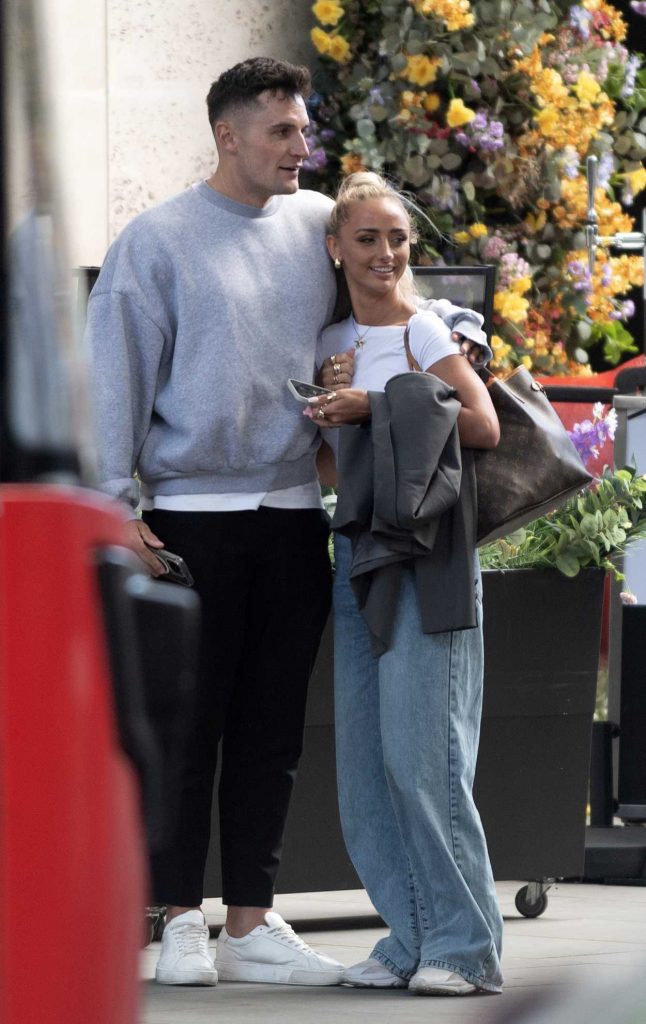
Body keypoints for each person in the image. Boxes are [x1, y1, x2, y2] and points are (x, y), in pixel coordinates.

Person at [87, 57, 489, 990]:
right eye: (282, 131)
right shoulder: (157, 242)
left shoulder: (317, 224)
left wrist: (453, 340)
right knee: (192, 728)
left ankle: (251, 923)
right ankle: (180, 919)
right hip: (190, 520)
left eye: (304, 130)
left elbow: (390, 288)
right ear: (228, 134)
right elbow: (116, 377)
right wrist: (115, 505)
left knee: (274, 729)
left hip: (296, 516)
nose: (301, 147)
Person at [308, 171, 505, 996]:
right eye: (367, 239)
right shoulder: (333, 342)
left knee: (427, 761)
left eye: (397, 238)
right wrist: (329, 404)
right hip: (361, 561)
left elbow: (483, 423)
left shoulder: (425, 329)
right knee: (366, 770)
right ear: (335, 249)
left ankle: (464, 949)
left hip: (429, 561)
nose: (386, 253)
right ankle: (409, 938)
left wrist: (374, 404)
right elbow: (326, 469)